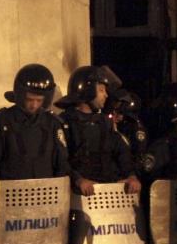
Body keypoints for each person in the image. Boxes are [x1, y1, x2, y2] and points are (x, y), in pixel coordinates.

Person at [55, 66, 140, 195]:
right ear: (87, 91)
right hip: (77, 196)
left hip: (106, 194)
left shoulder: (105, 122)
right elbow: (60, 160)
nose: (106, 95)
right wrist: (78, 180)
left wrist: (131, 175)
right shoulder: (64, 122)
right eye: (101, 90)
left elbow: (122, 152)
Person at [0, 63, 69, 180]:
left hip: (47, 192)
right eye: (30, 99)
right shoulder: (1, 121)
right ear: (20, 96)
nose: (34, 105)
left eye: (39, 100)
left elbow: (61, 164)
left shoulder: (53, 123)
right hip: (11, 192)